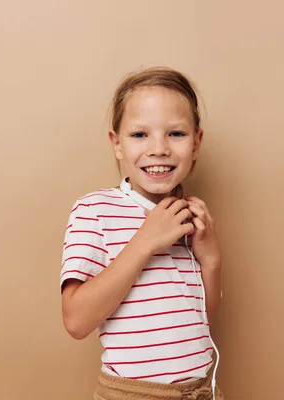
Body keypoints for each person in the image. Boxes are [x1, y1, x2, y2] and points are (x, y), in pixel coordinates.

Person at [60, 66, 224, 400]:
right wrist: (145, 241)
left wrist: (211, 260)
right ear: (116, 143)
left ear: (197, 143)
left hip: (200, 391)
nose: (159, 149)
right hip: (134, 394)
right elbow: (76, 321)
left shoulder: (189, 216)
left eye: (176, 134)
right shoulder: (95, 210)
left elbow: (202, 322)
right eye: (139, 135)